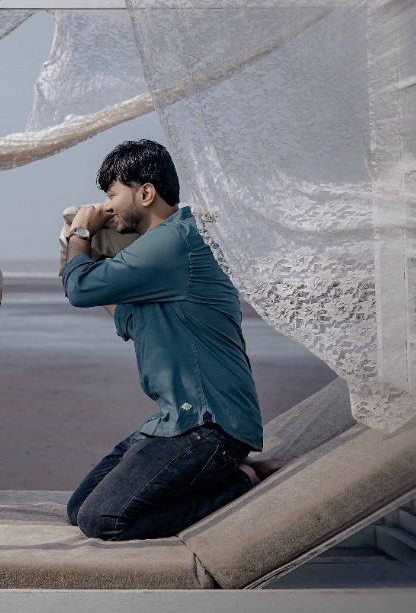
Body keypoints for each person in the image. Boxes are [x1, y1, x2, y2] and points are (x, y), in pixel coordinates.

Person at [61, 139, 280, 540]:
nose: (106, 207)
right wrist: (80, 254)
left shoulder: (174, 241)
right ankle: (221, 472)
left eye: (112, 194)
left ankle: (239, 480)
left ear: (145, 193)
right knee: (80, 509)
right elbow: (124, 315)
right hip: (176, 421)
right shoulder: (160, 259)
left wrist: (80, 232)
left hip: (208, 425)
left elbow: (80, 290)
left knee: (102, 520)